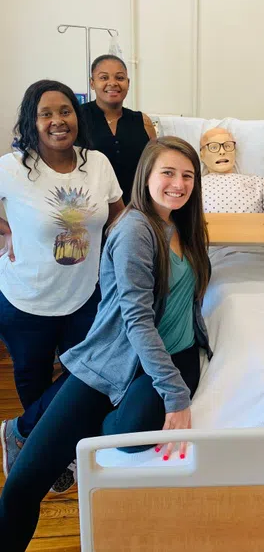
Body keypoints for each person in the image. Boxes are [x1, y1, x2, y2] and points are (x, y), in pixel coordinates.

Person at [0, 136, 213, 551]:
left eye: (188, 175)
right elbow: (136, 317)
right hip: (118, 357)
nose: (178, 183)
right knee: (23, 486)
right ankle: (27, 433)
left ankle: (70, 424)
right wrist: (176, 397)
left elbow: (187, 297)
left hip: (176, 355)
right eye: (167, 173)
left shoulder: (186, 225)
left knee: (131, 434)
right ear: (146, 176)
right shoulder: (136, 229)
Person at [0, 79, 124, 491]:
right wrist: (6, 230)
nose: (57, 121)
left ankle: (19, 432)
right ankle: (44, 450)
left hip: (84, 296)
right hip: (25, 301)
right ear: (31, 122)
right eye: (46, 114)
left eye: (65, 111)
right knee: (33, 378)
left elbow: (117, 216)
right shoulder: (12, 168)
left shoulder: (97, 163)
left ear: (78, 115)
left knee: (86, 378)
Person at [82, 54, 157, 204]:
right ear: (92, 83)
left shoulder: (142, 121)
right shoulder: (78, 118)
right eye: (104, 78)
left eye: (120, 78)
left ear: (128, 83)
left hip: (136, 207)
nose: (112, 83)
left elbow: (154, 165)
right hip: (91, 208)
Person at [200, 127, 264, 212]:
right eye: (213, 147)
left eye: (227, 146)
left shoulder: (258, 182)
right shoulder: (195, 185)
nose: (222, 151)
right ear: (202, 155)